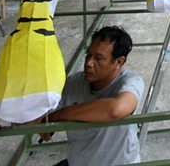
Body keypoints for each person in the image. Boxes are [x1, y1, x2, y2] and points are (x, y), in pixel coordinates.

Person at [41, 26, 144, 166]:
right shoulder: (74, 82)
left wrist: (59, 115)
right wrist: (46, 123)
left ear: (118, 62)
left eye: (98, 58)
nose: (88, 63)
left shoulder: (130, 82)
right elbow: (47, 115)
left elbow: (116, 109)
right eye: (88, 55)